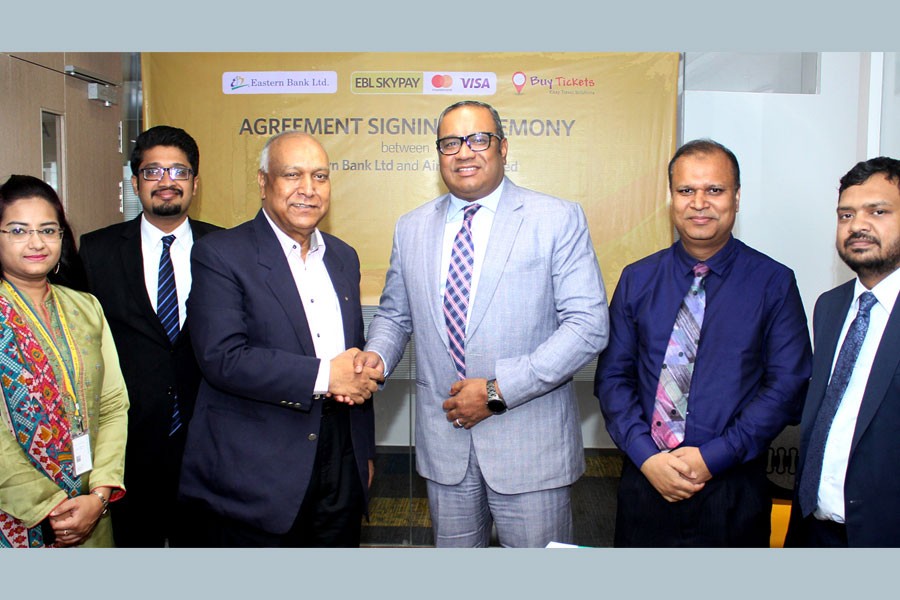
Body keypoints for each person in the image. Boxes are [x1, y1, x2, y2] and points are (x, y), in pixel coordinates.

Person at [354, 100, 609, 547]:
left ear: (502, 147)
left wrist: (496, 391)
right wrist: (376, 357)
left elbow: (588, 326)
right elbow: (395, 314)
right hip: (445, 448)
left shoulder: (555, 218)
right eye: (451, 142)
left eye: (478, 139)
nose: (464, 152)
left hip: (530, 451)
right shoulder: (411, 227)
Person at [594, 139, 812, 547]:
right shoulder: (637, 279)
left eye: (714, 190)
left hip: (733, 488)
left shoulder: (774, 283)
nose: (699, 203)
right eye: (686, 190)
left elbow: (787, 387)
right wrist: (646, 456)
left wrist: (712, 458)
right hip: (646, 483)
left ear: (737, 197)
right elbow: (612, 379)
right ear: (671, 198)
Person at [177, 131, 381, 547]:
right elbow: (223, 357)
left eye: (320, 176)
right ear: (263, 181)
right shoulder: (221, 254)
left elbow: (351, 361)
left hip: (340, 456)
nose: (308, 189)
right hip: (257, 469)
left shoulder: (343, 257)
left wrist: (363, 452)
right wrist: (326, 376)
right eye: (292, 175)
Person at [79, 125, 221, 547]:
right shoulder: (96, 251)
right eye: (153, 171)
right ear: (135, 181)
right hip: (128, 446)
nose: (166, 181)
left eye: (179, 171)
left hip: (209, 441)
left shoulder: (227, 249)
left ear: (195, 182)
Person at [0, 175, 128, 548]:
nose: (36, 242)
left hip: (91, 506)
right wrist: (51, 505)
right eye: (18, 231)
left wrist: (99, 494)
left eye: (48, 230)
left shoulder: (86, 308)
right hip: (16, 514)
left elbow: (113, 404)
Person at [786, 157, 900, 547]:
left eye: (878, 212)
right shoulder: (830, 307)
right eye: (846, 215)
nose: (857, 225)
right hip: (814, 528)